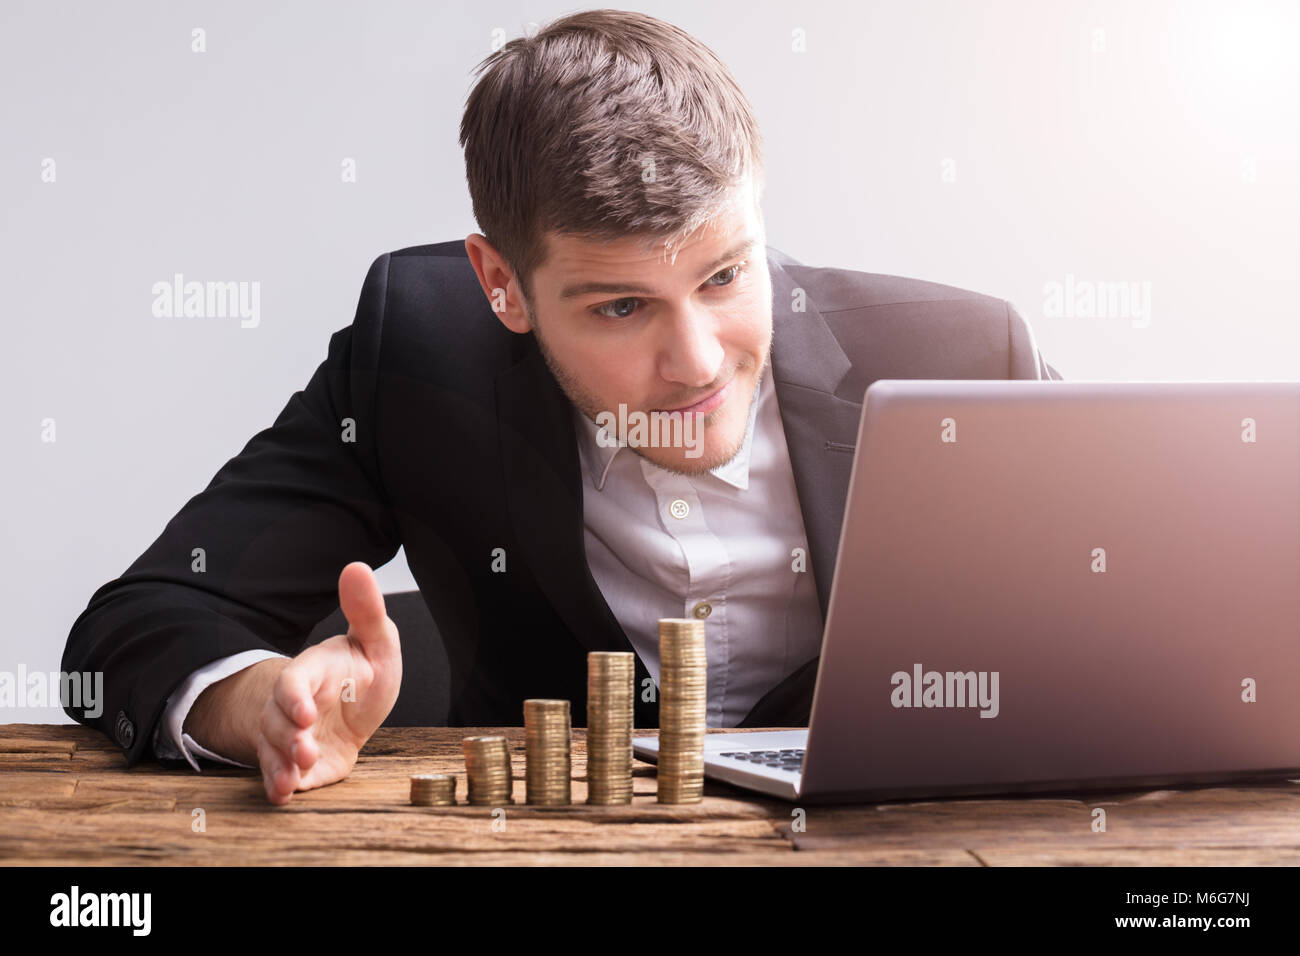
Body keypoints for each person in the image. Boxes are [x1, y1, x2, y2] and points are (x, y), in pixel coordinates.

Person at [62, 9, 1061, 804]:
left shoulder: (962, 358)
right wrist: (257, 706)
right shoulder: (417, 351)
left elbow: (1165, 606)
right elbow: (140, 623)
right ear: (502, 284)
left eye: (724, 274)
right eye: (622, 305)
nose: (697, 361)